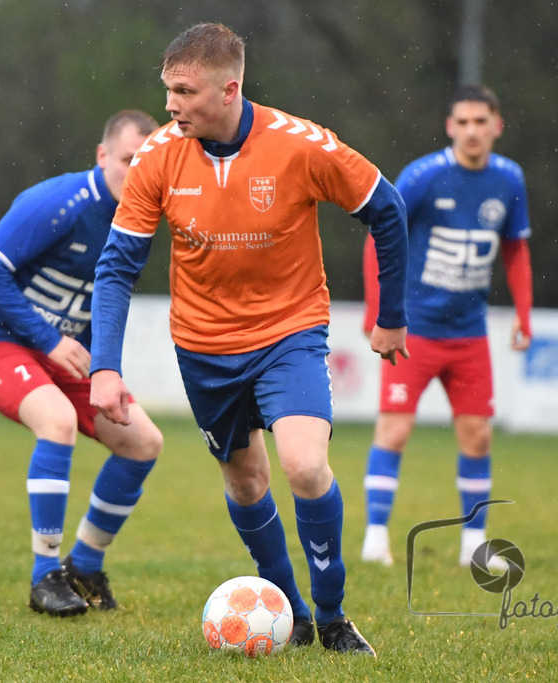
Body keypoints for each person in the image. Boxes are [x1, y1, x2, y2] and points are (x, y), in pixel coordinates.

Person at [89, 23, 409, 656]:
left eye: (185, 92)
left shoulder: (300, 145)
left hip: (289, 332)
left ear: (229, 90)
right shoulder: (157, 156)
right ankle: (290, 612)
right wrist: (105, 366)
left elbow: (387, 208)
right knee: (245, 482)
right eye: (168, 90)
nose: (170, 105)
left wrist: (392, 315)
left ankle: (333, 616)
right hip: (203, 347)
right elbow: (117, 267)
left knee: (305, 466)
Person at [0, 110, 163, 617]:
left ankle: (83, 566)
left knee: (143, 442)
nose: (138, 172)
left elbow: (105, 302)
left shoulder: (140, 219)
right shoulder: (58, 200)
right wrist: (47, 340)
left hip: (60, 352)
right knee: (58, 421)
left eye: (148, 164)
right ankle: (44, 576)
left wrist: (106, 369)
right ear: (102, 155)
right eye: (128, 159)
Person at [360, 84, 533, 569]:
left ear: (497, 126)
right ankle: (375, 538)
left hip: (469, 333)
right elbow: (379, 238)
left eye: (481, 121)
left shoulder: (509, 179)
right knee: (394, 431)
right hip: (413, 331)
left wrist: (524, 314)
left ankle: (473, 545)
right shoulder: (423, 176)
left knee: (478, 436)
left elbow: (516, 249)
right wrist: (379, 312)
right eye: (463, 122)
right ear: (450, 127)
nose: (472, 131)